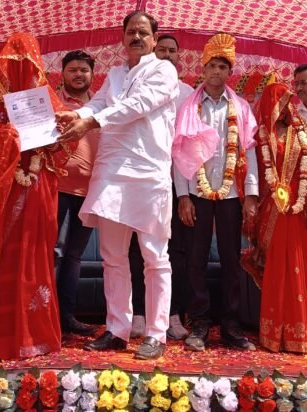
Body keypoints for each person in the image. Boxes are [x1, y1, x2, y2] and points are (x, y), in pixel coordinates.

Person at [56, 10, 179, 360]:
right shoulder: (114, 74)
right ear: (123, 38)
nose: (136, 37)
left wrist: (91, 121)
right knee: (112, 256)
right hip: (111, 171)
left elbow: (138, 105)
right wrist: (76, 114)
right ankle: (117, 329)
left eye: (143, 32)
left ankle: (156, 333)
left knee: (154, 257)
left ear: (154, 39)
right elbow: (97, 103)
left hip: (147, 171)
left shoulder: (163, 70)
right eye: (130, 32)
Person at [0, 32, 75, 360]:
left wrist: (54, 136)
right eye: (16, 60)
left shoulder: (45, 94)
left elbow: (65, 141)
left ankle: (37, 334)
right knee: (7, 257)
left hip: (40, 184)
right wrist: (11, 137)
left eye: (29, 60)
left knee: (38, 253)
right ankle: (5, 337)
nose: (23, 66)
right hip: (6, 185)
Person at [172, 34, 258, 351]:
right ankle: (200, 323)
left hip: (231, 195)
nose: (216, 72)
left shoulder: (242, 108)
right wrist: (183, 196)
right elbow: (178, 153)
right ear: (203, 69)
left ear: (229, 72)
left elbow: (249, 150)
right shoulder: (189, 107)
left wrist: (251, 194)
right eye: (212, 66)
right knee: (195, 259)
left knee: (231, 259)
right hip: (197, 193)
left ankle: (232, 326)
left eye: (223, 67)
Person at [243, 83, 307, 354]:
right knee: (277, 271)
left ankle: (306, 332)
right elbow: (252, 173)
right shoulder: (259, 136)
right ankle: (274, 334)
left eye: (290, 101)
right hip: (272, 212)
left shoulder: (302, 133)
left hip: (300, 212)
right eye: (282, 102)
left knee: (306, 270)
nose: (288, 107)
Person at [129, 33, 193, 341]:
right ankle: (139, 315)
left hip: (176, 181)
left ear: (180, 57)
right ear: (154, 51)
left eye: (172, 51)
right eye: (162, 50)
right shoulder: (136, 84)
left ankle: (173, 314)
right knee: (136, 249)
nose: (167, 55)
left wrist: (185, 193)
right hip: (140, 177)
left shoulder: (188, 93)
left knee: (175, 250)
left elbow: (189, 143)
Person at [55, 50, 98, 336]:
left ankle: (66, 317)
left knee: (74, 255)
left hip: (89, 191)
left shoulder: (101, 106)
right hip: (55, 188)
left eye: (84, 70)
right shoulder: (52, 102)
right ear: (63, 73)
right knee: (53, 252)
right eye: (73, 69)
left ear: (92, 74)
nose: (79, 74)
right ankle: (46, 317)